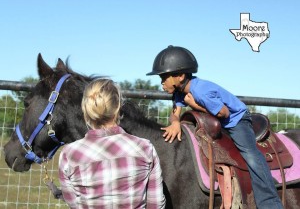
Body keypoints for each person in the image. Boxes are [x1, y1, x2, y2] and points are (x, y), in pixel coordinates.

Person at [146, 45, 283, 209]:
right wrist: (175, 122)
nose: (161, 83)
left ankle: (271, 203)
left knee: (250, 154)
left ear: (180, 76)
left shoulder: (200, 92)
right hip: (219, 121)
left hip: (236, 120)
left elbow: (223, 113)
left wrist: (193, 104)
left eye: (164, 78)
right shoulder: (179, 92)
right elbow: (175, 112)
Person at [58, 78, 166, 209]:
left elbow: (73, 204)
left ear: (86, 109)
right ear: (118, 107)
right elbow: (156, 204)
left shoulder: (69, 155)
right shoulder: (145, 148)